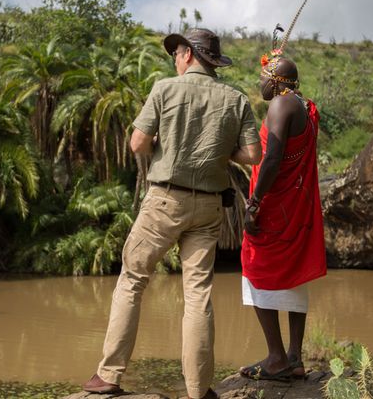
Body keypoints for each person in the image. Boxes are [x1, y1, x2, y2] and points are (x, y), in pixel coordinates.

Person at [83, 28, 261, 399]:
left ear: (188, 55)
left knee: (132, 280)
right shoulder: (236, 98)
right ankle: (199, 390)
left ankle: (110, 376)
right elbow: (253, 155)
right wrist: (219, 150)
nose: (174, 59)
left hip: (164, 202)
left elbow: (137, 143)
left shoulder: (165, 89)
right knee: (198, 294)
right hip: (210, 206)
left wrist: (169, 143)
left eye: (176, 53)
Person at [239, 55, 327, 381]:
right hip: (295, 205)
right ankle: (294, 357)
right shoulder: (304, 106)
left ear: (276, 81)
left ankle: (276, 358)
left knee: (254, 265)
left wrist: (255, 203)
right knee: (293, 275)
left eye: (262, 77)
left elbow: (273, 157)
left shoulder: (280, 106)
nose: (259, 83)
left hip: (276, 207)